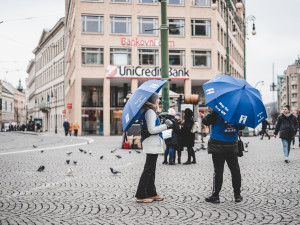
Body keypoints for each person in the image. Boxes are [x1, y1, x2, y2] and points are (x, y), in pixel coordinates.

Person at [135, 92, 173, 203]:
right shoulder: (150, 112)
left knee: (151, 169)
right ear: (153, 101)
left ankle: (151, 193)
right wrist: (166, 125)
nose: (159, 101)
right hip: (152, 143)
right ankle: (141, 195)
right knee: (148, 169)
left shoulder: (148, 111)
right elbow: (152, 130)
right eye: (157, 99)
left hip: (151, 143)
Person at [202, 109, 243, 203]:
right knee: (235, 169)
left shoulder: (217, 109)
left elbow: (205, 121)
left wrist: (210, 112)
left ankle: (215, 196)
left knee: (218, 171)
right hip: (232, 142)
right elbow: (241, 127)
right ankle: (237, 195)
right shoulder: (237, 110)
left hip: (217, 142)